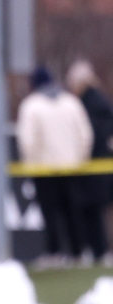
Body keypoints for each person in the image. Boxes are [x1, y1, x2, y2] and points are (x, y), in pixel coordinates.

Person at [16, 65, 93, 268]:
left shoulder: (31, 105)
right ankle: (78, 251)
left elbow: (27, 141)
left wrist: (31, 164)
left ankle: (55, 252)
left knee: (50, 213)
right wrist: (79, 160)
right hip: (72, 168)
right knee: (72, 211)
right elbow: (85, 134)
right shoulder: (71, 102)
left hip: (44, 170)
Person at [66, 59, 113, 267]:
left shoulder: (88, 104)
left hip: (93, 166)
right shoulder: (101, 101)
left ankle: (98, 250)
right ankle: (99, 250)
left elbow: (89, 136)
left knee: (91, 210)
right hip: (102, 165)